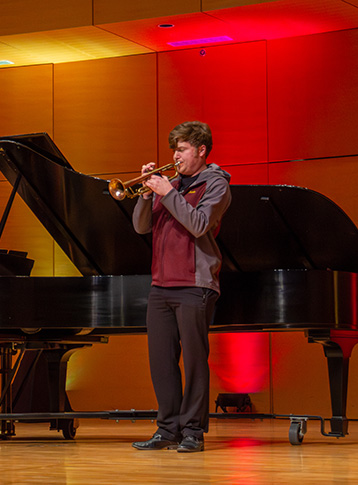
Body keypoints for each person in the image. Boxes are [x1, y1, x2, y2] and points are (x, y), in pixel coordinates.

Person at [130, 121, 232, 453]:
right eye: (175, 148)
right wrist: (147, 194)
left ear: (202, 151)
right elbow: (141, 227)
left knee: (194, 361)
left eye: (183, 149)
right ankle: (167, 428)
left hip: (195, 284)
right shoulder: (169, 185)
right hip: (161, 284)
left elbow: (199, 224)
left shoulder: (216, 184)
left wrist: (168, 193)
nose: (176, 155)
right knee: (161, 361)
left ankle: (192, 431)